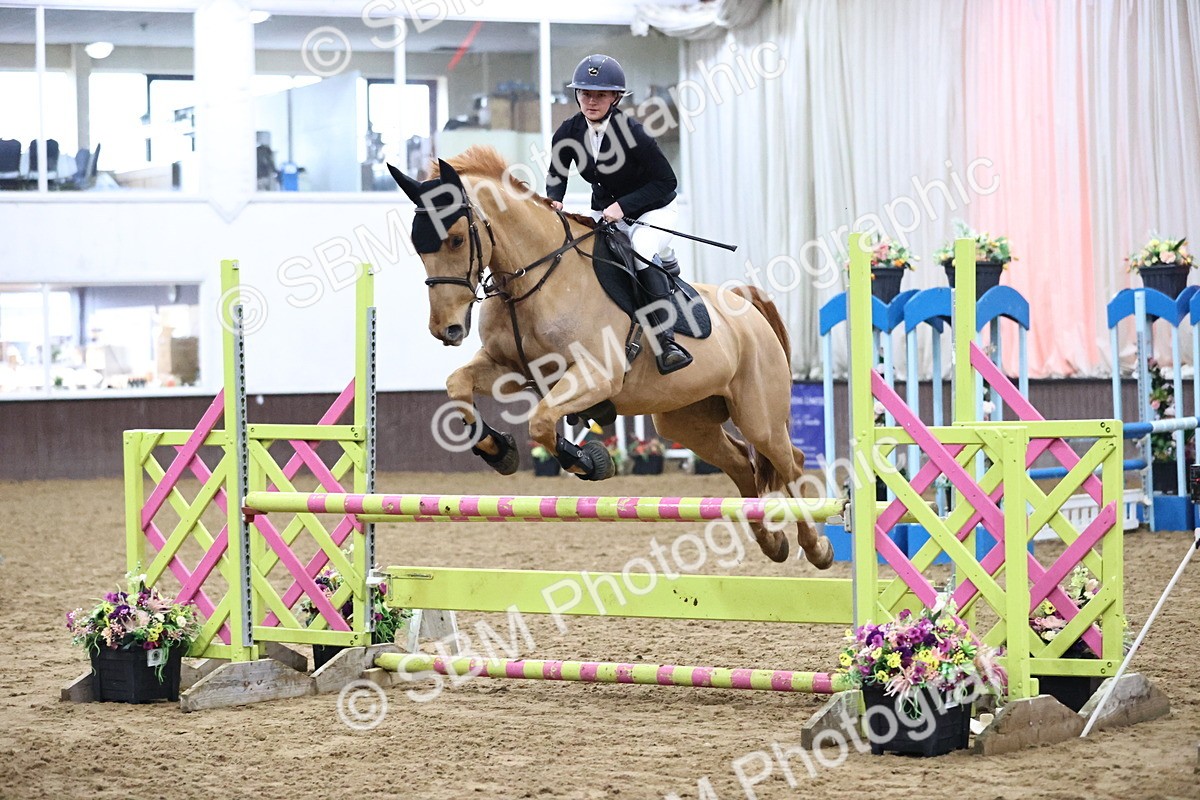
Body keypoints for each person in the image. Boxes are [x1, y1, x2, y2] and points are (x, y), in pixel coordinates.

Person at [546, 54, 692, 375]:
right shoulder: (568, 132)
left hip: (654, 209)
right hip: (607, 212)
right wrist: (553, 201)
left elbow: (667, 181)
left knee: (640, 251)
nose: (591, 101)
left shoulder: (634, 132)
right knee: (588, 257)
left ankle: (666, 342)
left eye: (600, 95)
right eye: (585, 93)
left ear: (615, 98)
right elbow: (557, 174)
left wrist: (624, 207)